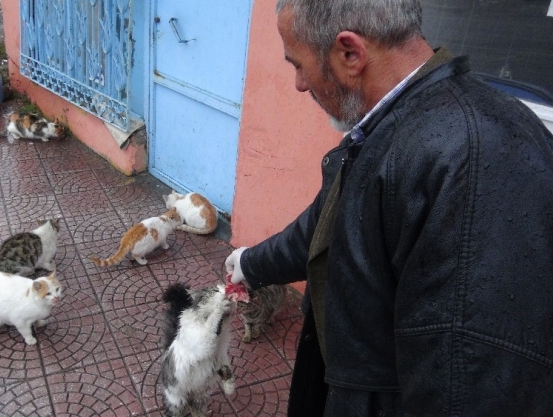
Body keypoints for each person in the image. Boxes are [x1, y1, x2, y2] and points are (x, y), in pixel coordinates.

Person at [225, 0, 553, 416]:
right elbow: (327, 226)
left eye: (298, 64)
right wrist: (250, 264)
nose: (300, 85)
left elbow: (466, 386)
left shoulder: (475, 160)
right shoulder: (390, 126)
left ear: (350, 54)